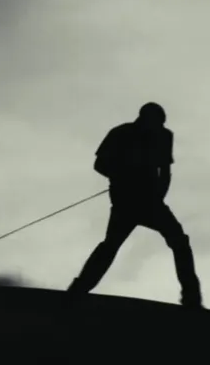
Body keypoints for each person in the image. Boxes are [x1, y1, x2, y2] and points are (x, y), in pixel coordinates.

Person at [67, 102, 202, 307]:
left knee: (179, 242)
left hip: (150, 202)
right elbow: (99, 164)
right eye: (156, 123)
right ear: (143, 119)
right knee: (111, 245)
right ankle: (79, 289)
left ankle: (191, 297)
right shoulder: (120, 133)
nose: (159, 128)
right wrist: (122, 177)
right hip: (126, 201)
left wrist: (158, 197)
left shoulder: (164, 136)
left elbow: (165, 172)